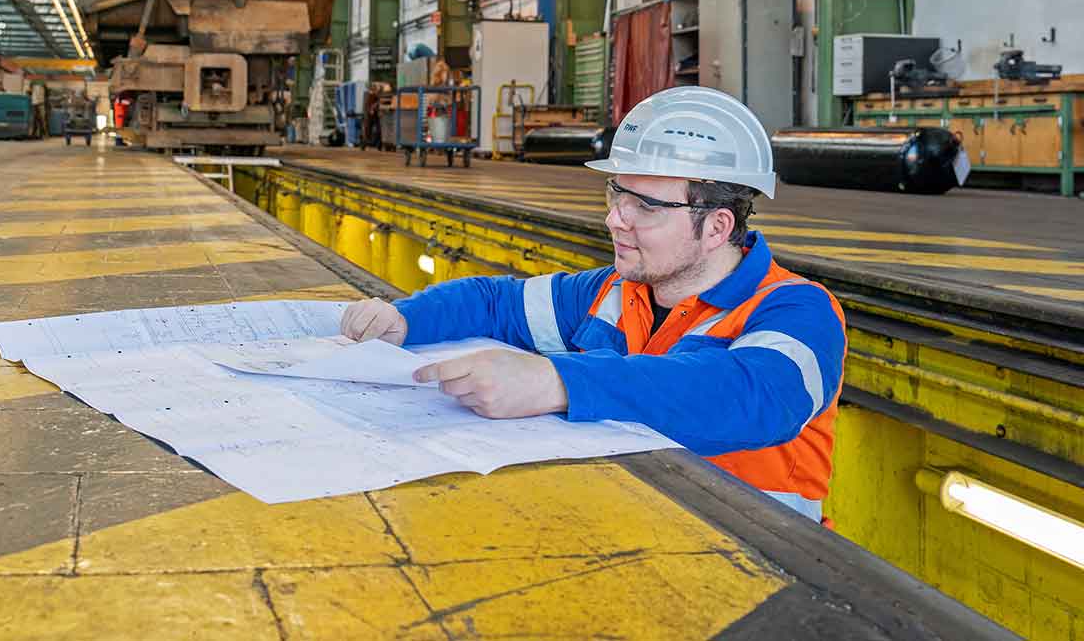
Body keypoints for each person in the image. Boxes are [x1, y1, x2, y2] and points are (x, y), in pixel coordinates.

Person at [340, 87, 847, 521]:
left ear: (717, 227)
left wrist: (556, 382)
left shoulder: (798, 312)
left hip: (763, 561)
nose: (614, 220)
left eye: (645, 206)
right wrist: (404, 318)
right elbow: (495, 302)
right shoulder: (613, 291)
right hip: (630, 524)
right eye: (617, 195)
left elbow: (746, 396)